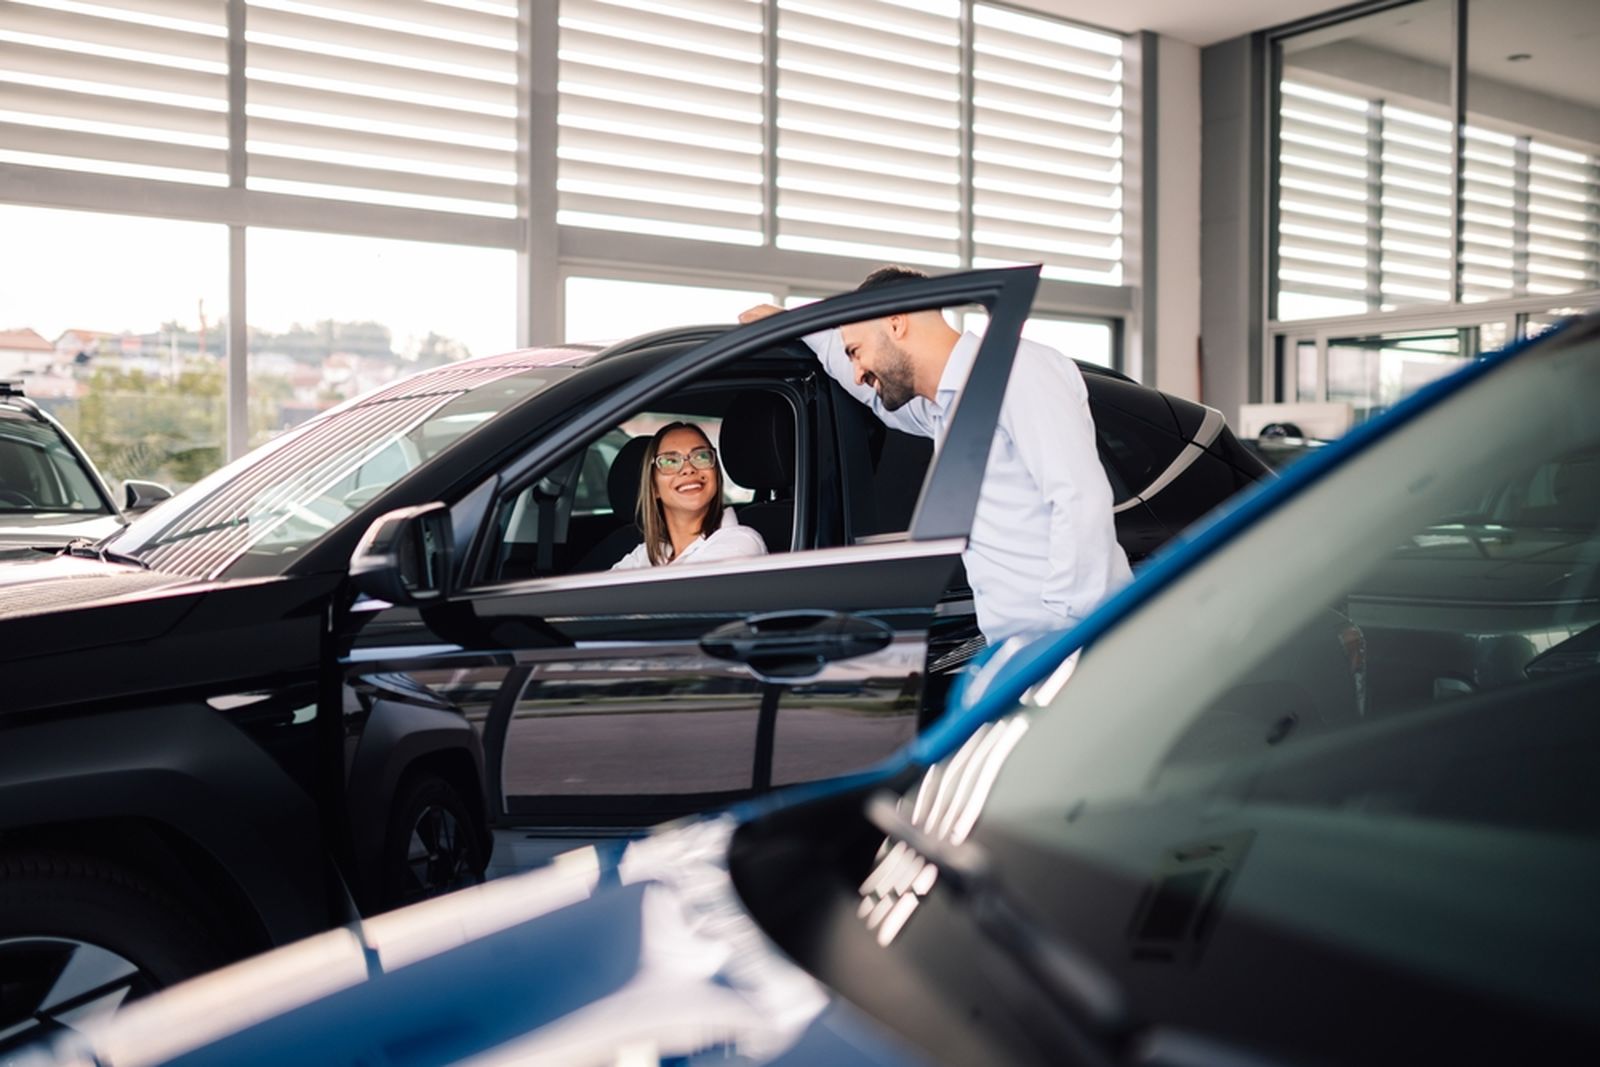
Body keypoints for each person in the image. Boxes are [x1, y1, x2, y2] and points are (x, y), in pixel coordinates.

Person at [740, 266, 1131, 641]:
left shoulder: (1014, 370)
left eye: (856, 351)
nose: (857, 371)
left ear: (896, 323)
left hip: (1069, 639)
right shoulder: (945, 406)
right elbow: (870, 395)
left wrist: (1063, 629)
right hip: (1023, 644)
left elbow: (1079, 497)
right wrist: (796, 325)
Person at [611, 421, 767, 570]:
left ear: (716, 474)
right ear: (654, 487)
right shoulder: (646, 554)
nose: (688, 468)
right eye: (670, 461)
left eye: (701, 456)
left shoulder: (740, 542)